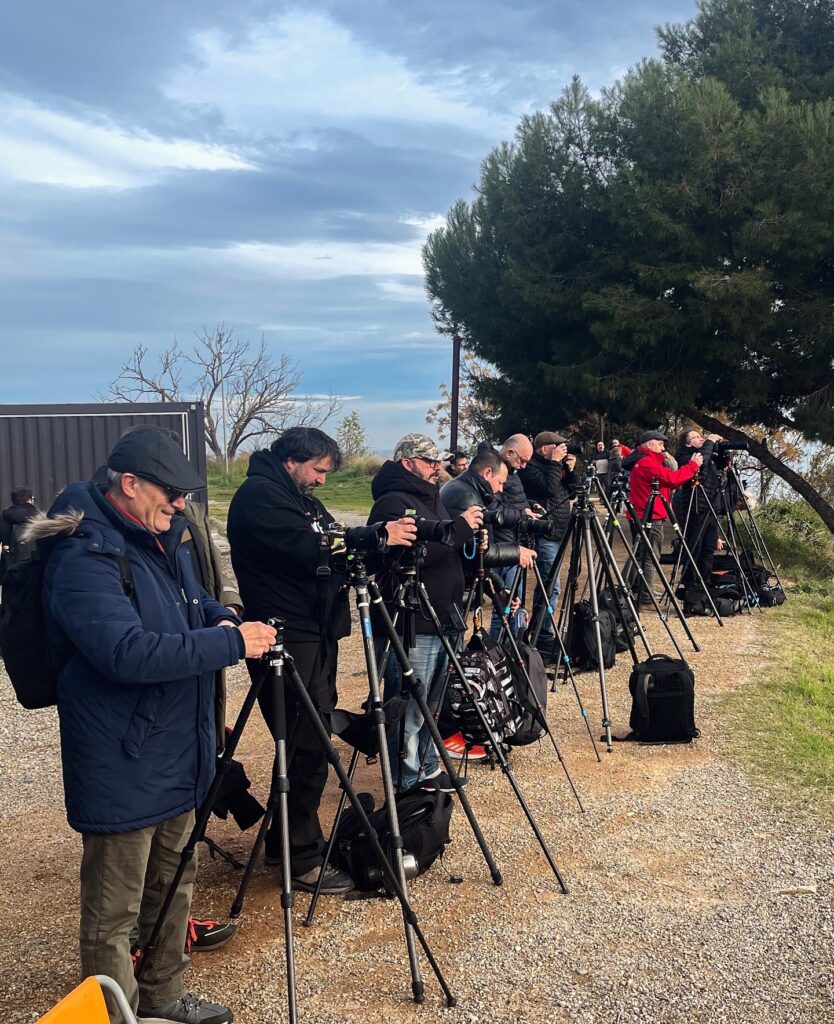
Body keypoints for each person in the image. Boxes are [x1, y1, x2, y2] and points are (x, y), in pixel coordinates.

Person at [37, 426, 276, 1024]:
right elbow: (125, 652)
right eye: (170, 492)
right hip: (121, 757)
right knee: (113, 913)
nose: (179, 504)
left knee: (173, 885)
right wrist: (230, 646)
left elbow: (196, 604)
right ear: (130, 483)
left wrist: (225, 619)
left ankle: (165, 1000)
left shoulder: (164, 537)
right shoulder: (82, 552)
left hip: (179, 749)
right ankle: (116, 1017)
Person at [227, 427, 416, 896]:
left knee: (306, 741)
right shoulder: (260, 496)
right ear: (293, 459)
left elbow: (335, 539)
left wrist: (376, 549)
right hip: (286, 635)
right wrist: (375, 534)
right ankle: (303, 859)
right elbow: (310, 547)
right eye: (318, 471)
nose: (323, 482)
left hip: (316, 631)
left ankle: (285, 842)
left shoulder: (303, 499)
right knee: (308, 744)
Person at [368, 433, 484, 786]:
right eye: (430, 461)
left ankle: (427, 768)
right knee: (409, 706)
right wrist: (459, 531)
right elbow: (410, 558)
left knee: (432, 705)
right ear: (408, 463)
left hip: (444, 614)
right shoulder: (391, 503)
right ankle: (405, 781)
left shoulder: (433, 498)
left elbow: (448, 549)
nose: (438, 468)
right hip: (412, 621)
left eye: (439, 462)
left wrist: (472, 541)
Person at [623, 430, 702, 605]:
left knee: (639, 554)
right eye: (660, 444)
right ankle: (643, 594)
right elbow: (672, 479)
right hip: (650, 515)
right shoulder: (647, 463)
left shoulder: (643, 461)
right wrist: (693, 466)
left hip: (643, 513)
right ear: (650, 445)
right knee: (650, 555)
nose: (663, 447)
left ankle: (628, 588)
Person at [517, 432, 578, 655]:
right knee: (550, 586)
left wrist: (569, 469)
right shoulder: (531, 467)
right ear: (544, 448)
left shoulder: (556, 465)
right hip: (544, 533)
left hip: (559, 531)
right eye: (558, 446)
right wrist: (554, 464)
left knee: (550, 585)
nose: (563, 450)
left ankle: (542, 632)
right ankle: (543, 637)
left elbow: (574, 491)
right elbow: (548, 489)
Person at [489, 434, 537, 639]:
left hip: (515, 542)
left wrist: (530, 506)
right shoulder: (495, 472)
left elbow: (516, 502)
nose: (524, 466)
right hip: (502, 545)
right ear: (509, 452)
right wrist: (521, 514)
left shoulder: (513, 472)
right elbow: (493, 509)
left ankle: (510, 650)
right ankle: (497, 655)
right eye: (522, 460)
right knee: (504, 607)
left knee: (513, 606)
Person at [673, 428, 725, 585]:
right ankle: (691, 584)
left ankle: (705, 582)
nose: (701, 439)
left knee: (709, 547)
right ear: (688, 444)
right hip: (696, 506)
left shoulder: (706, 452)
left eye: (701, 436)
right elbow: (700, 465)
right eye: (696, 437)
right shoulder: (685, 456)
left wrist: (720, 449)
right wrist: (709, 442)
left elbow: (720, 465)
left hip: (711, 507)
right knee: (695, 546)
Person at [0, 486, 39, 581]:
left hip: (12, 559)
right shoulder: (37, 516)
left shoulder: (6, 515)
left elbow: (3, 535)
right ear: (29, 500)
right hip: (34, 559)